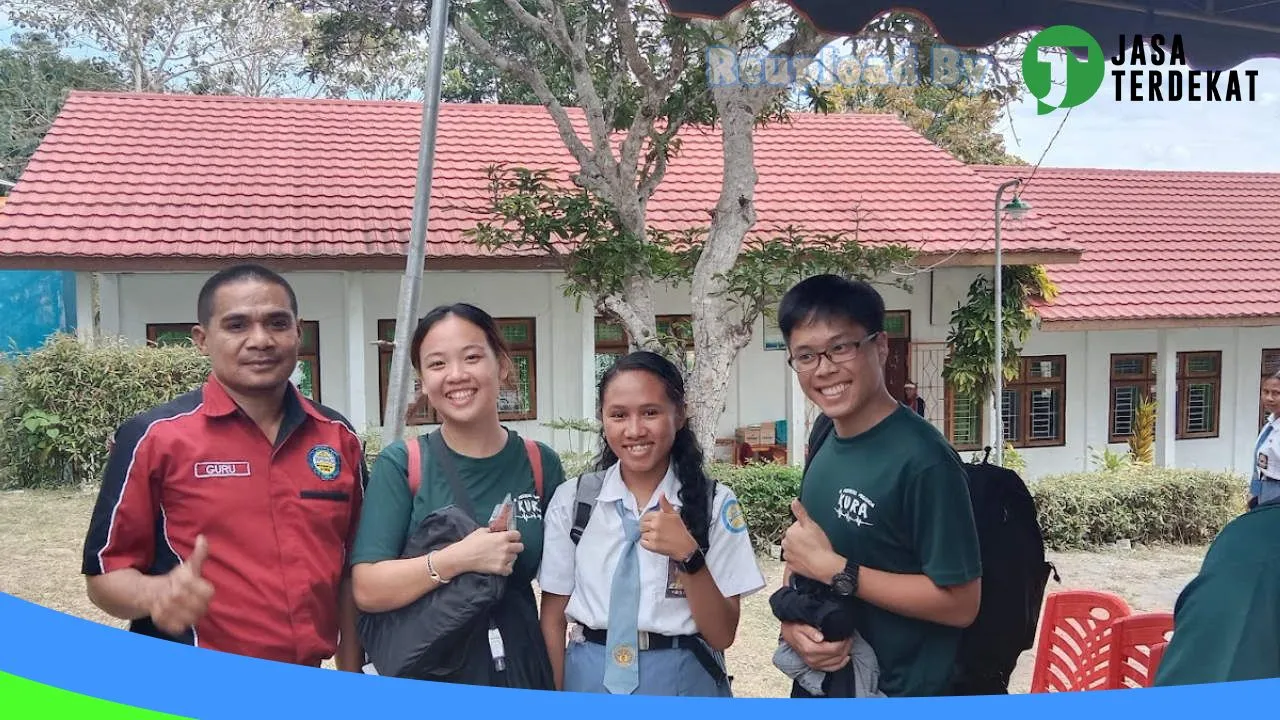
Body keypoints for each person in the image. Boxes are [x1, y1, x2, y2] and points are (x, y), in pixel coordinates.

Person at [81, 263, 365, 670]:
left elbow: (351, 575)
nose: (260, 340)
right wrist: (155, 594)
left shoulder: (338, 438)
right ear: (202, 338)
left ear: (298, 331)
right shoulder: (154, 438)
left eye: (277, 323)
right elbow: (104, 573)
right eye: (236, 325)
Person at [775, 274, 982, 698]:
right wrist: (792, 625)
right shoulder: (824, 434)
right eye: (806, 355)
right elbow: (805, 552)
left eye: (841, 347)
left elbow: (962, 604)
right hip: (825, 684)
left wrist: (837, 570)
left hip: (899, 689)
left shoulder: (925, 461)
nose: (825, 368)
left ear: (880, 346)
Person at [349, 302, 566, 688]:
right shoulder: (405, 463)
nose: (456, 376)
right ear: (423, 379)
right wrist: (458, 559)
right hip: (433, 673)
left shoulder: (539, 463)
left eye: (471, 357)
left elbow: (559, 593)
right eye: (437, 364)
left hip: (521, 669)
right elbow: (366, 587)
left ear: (500, 364)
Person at [538, 350, 766, 696]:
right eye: (618, 415)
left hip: (682, 682)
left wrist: (688, 556)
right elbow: (553, 620)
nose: (634, 430)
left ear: (680, 414)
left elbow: (722, 635)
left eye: (650, 412)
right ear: (603, 418)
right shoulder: (573, 502)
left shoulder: (713, 504)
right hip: (587, 681)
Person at [1247, 369, 1280, 510]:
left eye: (1276, 393)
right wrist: (1254, 492)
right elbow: (1260, 464)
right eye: (1265, 392)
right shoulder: (1270, 424)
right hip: (1265, 491)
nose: (1269, 398)